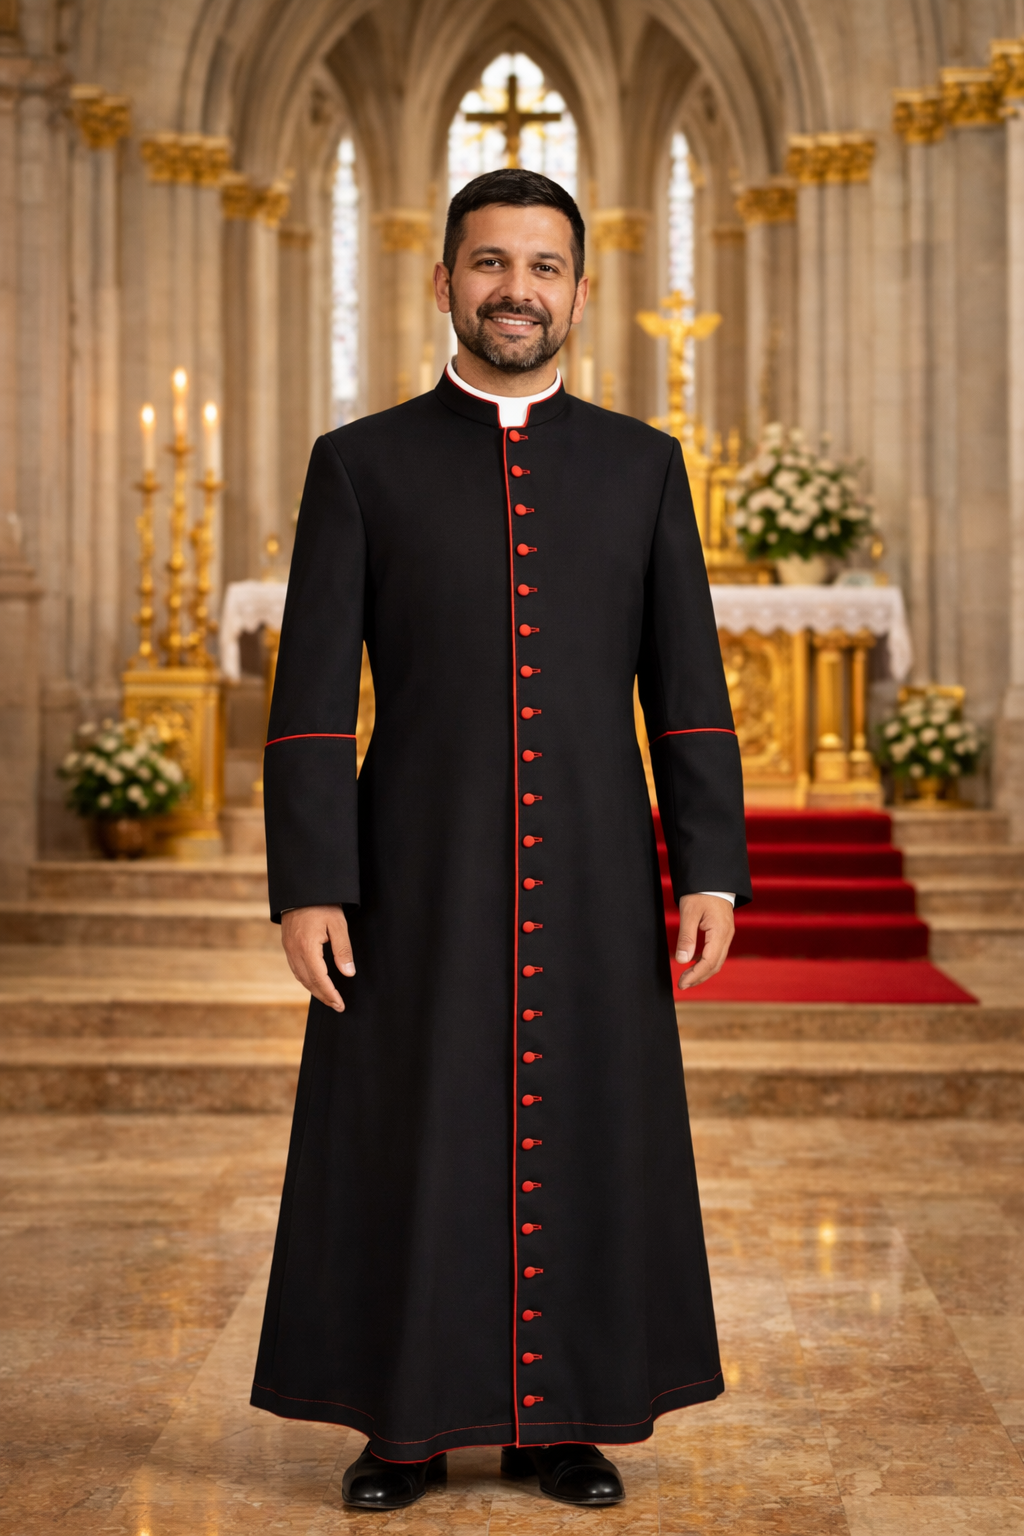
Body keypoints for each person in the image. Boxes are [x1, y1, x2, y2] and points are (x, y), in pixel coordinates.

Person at [251, 168, 751, 1511]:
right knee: (408, 1131)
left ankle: (567, 1420)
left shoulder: (644, 467)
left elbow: (688, 688)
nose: (514, 290)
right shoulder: (360, 463)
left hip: (594, 868)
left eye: (542, 267)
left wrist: (709, 865)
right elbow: (312, 697)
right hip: (415, 866)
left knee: (590, 1121)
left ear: (580, 293)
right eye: (489, 263)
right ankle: (402, 1424)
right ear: (444, 282)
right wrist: (310, 884)